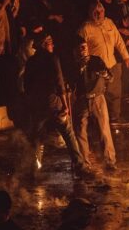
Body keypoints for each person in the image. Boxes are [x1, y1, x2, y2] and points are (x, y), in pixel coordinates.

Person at [24, 32, 90, 178]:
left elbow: (26, 86)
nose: (53, 45)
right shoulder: (52, 59)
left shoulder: (30, 61)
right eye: (50, 42)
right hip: (53, 103)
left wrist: (32, 102)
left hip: (37, 105)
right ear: (44, 44)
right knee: (68, 133)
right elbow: (59, 82)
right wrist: (65, 105)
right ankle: (80, 166)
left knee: (36, 137)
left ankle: (33, 169)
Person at [78, 0, 129, 126]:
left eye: (101, 11)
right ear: (90, 13)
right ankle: (98, 121)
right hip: (97, 68)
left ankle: (114, 118)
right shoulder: (85, 28)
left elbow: (118, 41)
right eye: (95, 12)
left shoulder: (109, 23)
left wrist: (126, 57)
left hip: (112, 64)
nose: (99, 14)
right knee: (98, 95)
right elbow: (79, 48)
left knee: (115, 93)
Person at [71, 36, 117, 172]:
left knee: (104, 130)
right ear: (75, 51)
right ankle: (83, 164)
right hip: (81, 100)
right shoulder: (73, 65)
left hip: (97, 99)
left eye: (84, 47)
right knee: (80, 132)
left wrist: (105, 74)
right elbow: (70, 82)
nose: (83, 50)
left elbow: (111, 77)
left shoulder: (96, 60)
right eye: (80, 48)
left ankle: (110, 161)